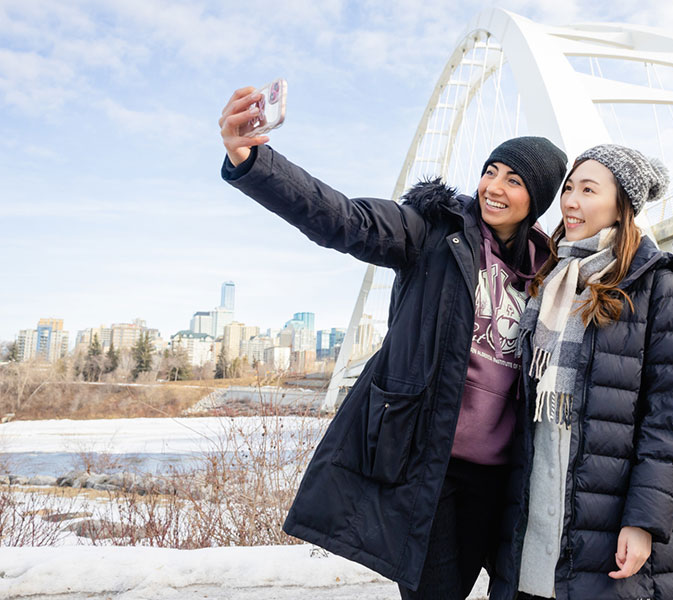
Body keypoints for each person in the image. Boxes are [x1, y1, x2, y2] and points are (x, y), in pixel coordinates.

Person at [217, 86, 568, 599]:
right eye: (491, 171)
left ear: (535, 199)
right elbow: (343, 218)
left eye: (514, 181)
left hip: (503, 477)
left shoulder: (548, 270)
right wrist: (253, 162)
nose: (494, 186)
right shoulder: (433, 231)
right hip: (430, 466)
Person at [490, 144, 673, 600]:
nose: (570, 201)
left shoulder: (659, 286)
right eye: (568, 188)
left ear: (621, 206)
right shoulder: (549, 280)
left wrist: (643, 522)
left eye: (588, 189)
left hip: (606, 517)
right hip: (535, 514)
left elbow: (667, 418)